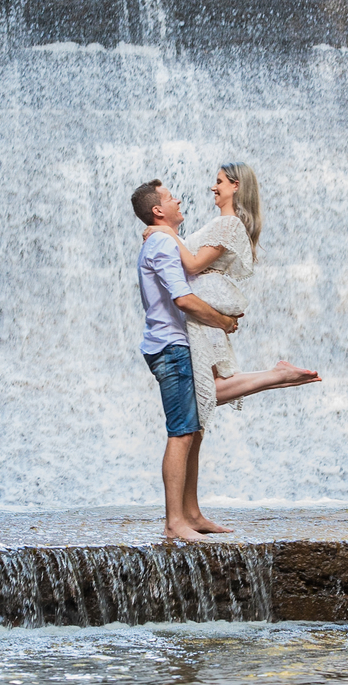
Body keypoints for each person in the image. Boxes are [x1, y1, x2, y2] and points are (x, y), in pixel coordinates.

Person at [132, 175, 320, 541]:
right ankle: (175, 523)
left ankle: (191, 513)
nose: (179, 201)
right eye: (171, 199)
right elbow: (183, 300)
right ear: (158, 210)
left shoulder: (166, 241)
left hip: (177, 345)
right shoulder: (162, 245)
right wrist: (223, 321)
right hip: (171, 347)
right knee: (182, 433)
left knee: (196, 427)